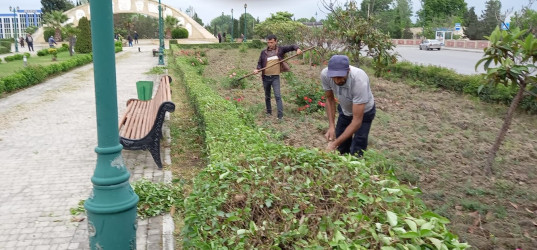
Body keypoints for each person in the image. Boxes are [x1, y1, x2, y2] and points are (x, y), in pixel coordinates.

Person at [321, 55, 376, 157]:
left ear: (348, 71)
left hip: (364, 113)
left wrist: (334, 144)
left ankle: (356, 166)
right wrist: (331, 126)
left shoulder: (359, 79)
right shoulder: (325, 75)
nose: (337, 81)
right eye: (334, 77)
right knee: (341, 147)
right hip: (345, 110)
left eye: (340, 77)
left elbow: (357, 121)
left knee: (358, 148)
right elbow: (330, 99)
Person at [253, 34, 302, 120]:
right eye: (268, 43)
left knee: (277, 96)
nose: (270, 44)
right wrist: (257, 69)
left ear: (275, 41)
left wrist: (297, 49)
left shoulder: (280, 50)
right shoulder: (264, 52)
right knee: (267, 96)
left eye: (271, 42)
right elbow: (260, 63)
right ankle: (268, 112)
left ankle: (280, 116)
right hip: (265, 77)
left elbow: (292, 46)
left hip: (275, 77)